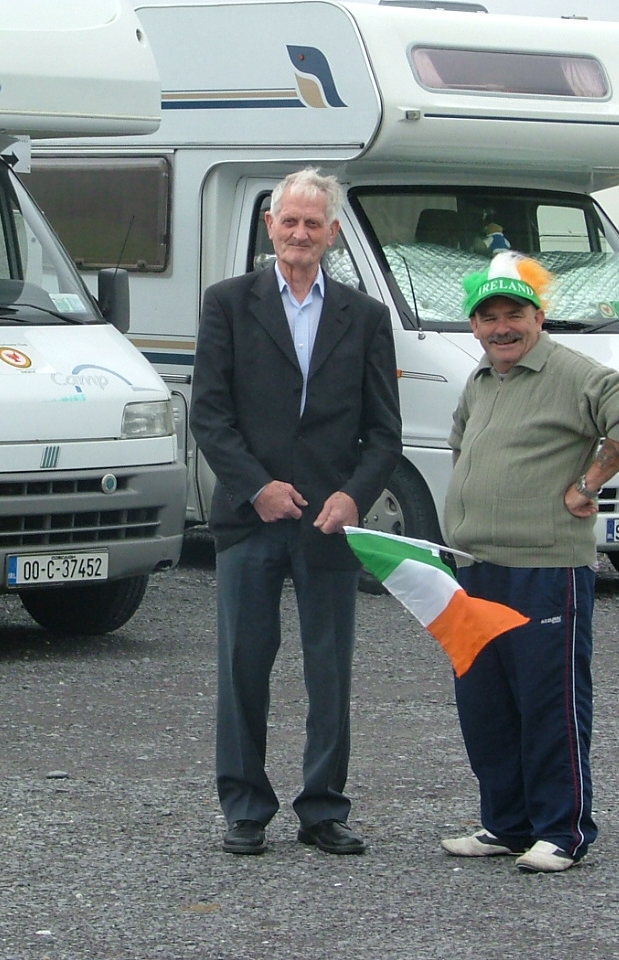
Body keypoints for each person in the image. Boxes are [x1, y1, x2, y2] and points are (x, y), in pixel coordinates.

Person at [191, 168, 401, 857]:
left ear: (332, 233)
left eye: (314, 223)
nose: (300, 234)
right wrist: (258, 488)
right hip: (251, 518)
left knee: (328, 672)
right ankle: (245, 807)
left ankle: (323, 808)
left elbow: (384, 433)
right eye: (290, 221)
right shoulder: (228, 304)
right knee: (243, 666)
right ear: (270, 226)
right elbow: (210, 415)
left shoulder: (365, 317)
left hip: (328, 522)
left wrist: (354, 496)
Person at [439, 253, 619, 872]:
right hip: (474, 566)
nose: (501, 327)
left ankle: (562, 831)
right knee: (485, 704)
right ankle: (506, 824)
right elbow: (461, 446)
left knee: (548, 701)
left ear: (539, 317)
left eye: (514, 314)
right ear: (474, 326)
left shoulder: (570, 371)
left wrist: (590, 483)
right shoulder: (483, 378)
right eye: (488, 317)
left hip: (544, 568)